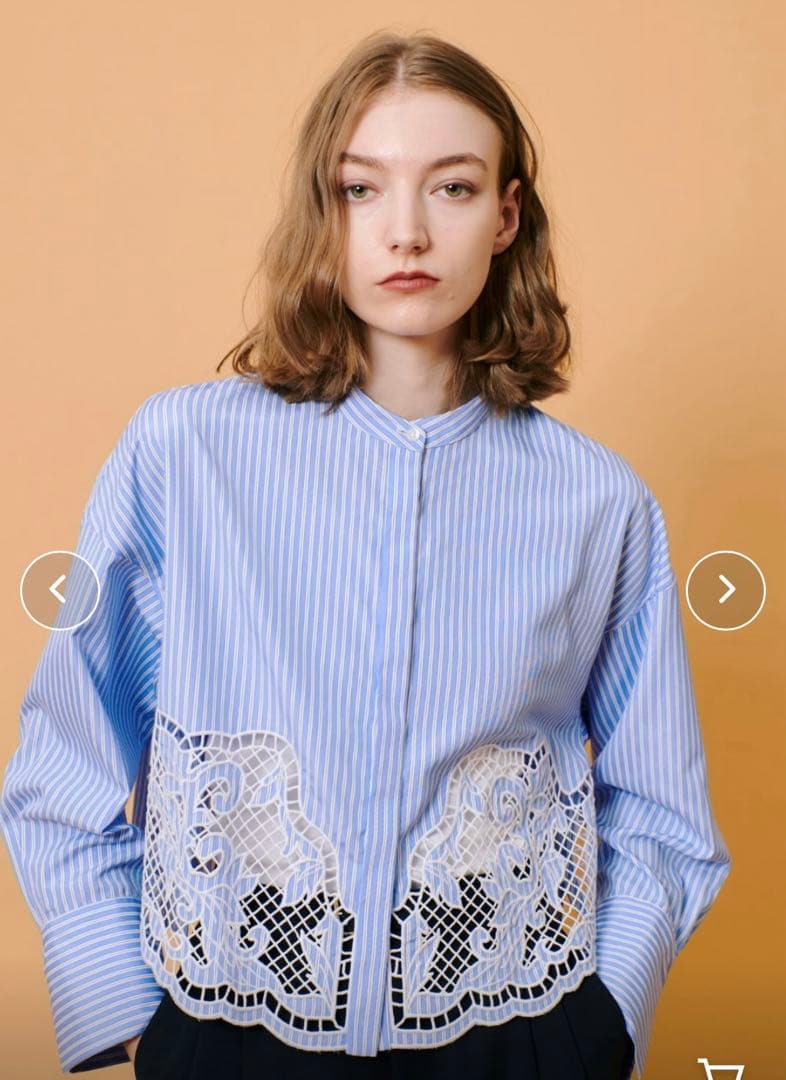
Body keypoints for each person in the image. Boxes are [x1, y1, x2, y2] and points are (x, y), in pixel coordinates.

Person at [0, 29, 731, 1080]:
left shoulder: (598, 502)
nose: (406, 232)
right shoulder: (185, 453)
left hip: (515, 1043)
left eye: (453, 187)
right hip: (232, 1035)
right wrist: (130, 1010)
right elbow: (65, 753)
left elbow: (663, 810)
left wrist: (600, 1027)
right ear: (323, 208)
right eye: (361, 188)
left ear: (506, 217)